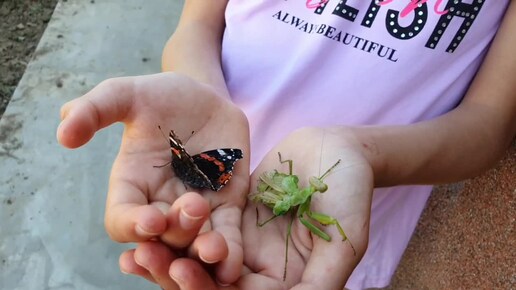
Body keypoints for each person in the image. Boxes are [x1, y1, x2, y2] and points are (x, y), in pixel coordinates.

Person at [57, 1, 516, 289]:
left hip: (334, 233)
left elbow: (491, 123)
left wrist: (359, 154)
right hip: (218, 197)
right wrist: (201, 91)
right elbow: (196, 25)